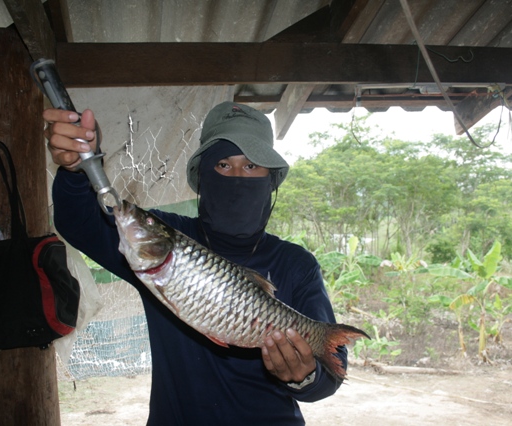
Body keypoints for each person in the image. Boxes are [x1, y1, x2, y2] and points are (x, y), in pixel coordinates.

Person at [44, 101, 347, 425]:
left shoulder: (297, 265)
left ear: (270, 181)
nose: (237, 177)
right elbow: (79, 222)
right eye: (223, 166)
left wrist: (303, 376)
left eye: (250, 167)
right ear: (202, 176)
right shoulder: (163, 238)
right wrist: (77, 168)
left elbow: (329, 376)